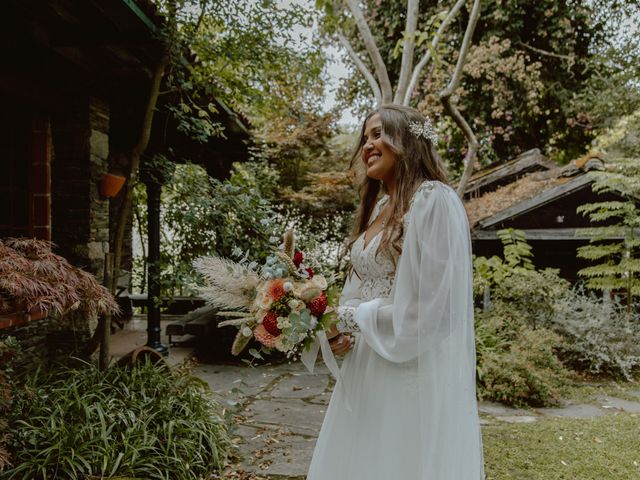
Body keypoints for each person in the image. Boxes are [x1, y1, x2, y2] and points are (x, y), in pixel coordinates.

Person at [306, 104, 485, 479]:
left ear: (405, 141)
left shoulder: (433, 201)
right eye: (364, 138)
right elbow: (359, 290)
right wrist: (339, 331)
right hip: (365, 369)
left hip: (407, 371)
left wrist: (353, 317)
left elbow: (436, 308)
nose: (367, 146)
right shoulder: (379, 209)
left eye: (377, 134)